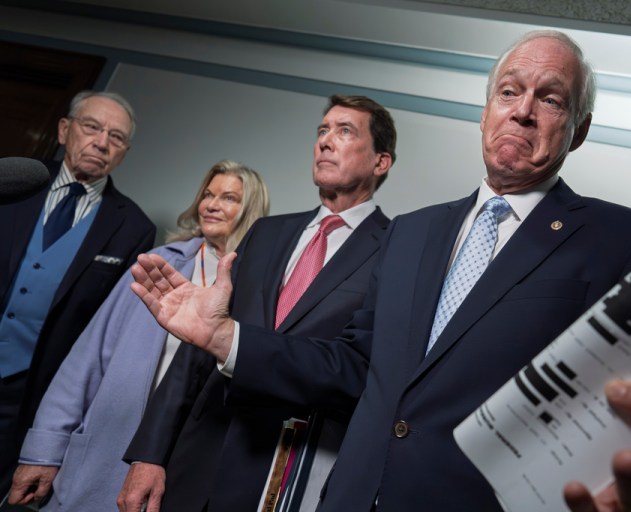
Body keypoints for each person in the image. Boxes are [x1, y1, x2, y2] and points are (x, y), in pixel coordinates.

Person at [129, 31, 631, 512]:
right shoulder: (413, 231)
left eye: (551, 99)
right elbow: (355, 366)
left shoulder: (629, 242)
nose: (523, 110)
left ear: (577, 129)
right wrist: (224, 338)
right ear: (485, 114)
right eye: (509, 91)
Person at [118, 95, 395, 512]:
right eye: (322, 131)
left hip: (281, 470)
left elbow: (358, 372)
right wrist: (149, 453)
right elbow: (197, 348)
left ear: (380, 162)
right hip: (197, 455)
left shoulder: (396, 250)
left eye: (345, 132)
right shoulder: (266, 232)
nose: (325, 142)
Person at [6, 160, 269, 511]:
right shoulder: (159, 262)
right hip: (100, 456)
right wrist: (44, 449)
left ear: (250, 210)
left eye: (229, 197)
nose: (212, 204)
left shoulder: (256, 289)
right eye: (208, 194)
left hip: (174, 468)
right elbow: (88, 357)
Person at [0, 90, 156, 496]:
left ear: (124, 151)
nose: (102, 142)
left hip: (29, 396)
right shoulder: (13, 184)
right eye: (92, 127)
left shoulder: (134, 227)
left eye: (116, 137)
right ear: (64, 129)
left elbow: (107, 334)